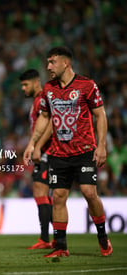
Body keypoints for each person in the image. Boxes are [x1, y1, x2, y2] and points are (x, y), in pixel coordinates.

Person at [23, 46, 113, 258]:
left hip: (83, 150)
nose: (48, 67)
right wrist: (32, 143)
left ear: (66, 63)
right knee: (59, 196)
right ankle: (61, 247)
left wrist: (101, 146)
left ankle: (102, 235)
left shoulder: (87, 85)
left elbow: (100, 115)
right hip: (58, 153)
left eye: (52, 62)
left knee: (89, 193)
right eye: (47, 62)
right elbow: (44, 117)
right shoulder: (48, 89)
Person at [19, 69, 54, 250]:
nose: (23, 88)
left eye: (26, 85)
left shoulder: (42, 99)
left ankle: (46, 238)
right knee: (45, 194)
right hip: (45, 152)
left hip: (47, 152)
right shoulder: (38, 100)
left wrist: (37, 146)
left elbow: (49, 123)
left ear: (35, 82)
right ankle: (54, 237)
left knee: (41, 192)